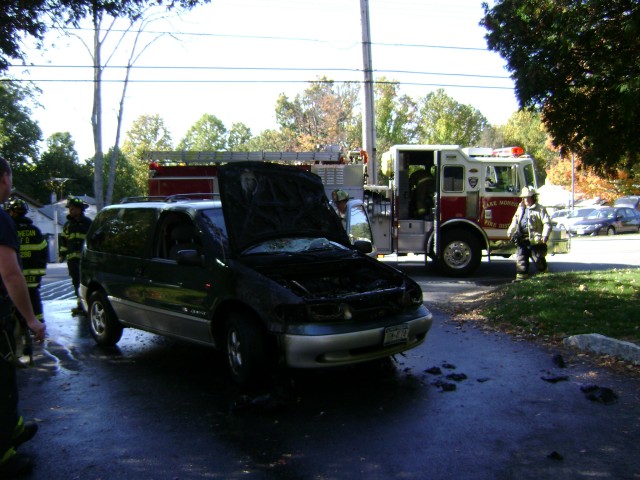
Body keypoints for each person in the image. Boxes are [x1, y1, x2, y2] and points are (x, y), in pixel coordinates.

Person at [0, 156, 47, 478]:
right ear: (4, 178)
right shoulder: (0, 219)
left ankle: (14, 429)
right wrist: (31, 320)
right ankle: (3, 456)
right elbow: (11, 274)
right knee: (1, 382)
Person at [3, 198, 47, 365]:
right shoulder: (35, 230)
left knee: (14, 310)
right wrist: (39, 272)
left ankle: (19, 346)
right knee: (35, 304)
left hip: (15, 280)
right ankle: (37, 332)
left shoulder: (8, 229)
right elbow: (43, 252)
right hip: (33, 278)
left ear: (12, 213)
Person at [507, 187, 552, 281]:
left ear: (533, 197)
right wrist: (510, 230)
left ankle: (545, 278)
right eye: (524, 198)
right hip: (522, 240)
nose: (526, 199)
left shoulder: (540, 209)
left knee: (538, 259)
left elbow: (547, 223)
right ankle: (521, 279)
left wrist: (545, 235)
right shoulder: (520, 209)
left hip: (536, 240)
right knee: (521, 260)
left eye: (528, 197)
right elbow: (515, 221)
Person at [59, 196, 92, 315]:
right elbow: (64, 241)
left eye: (73, 209)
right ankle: (81, 304)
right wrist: (62, 254)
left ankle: (87, 305)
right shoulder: (68, 225)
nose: (70, 211)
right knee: (76, 282)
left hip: (85, 260)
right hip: (72, 259)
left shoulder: (88, 223)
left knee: (85, 282)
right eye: (70, 209)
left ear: (79, 209)